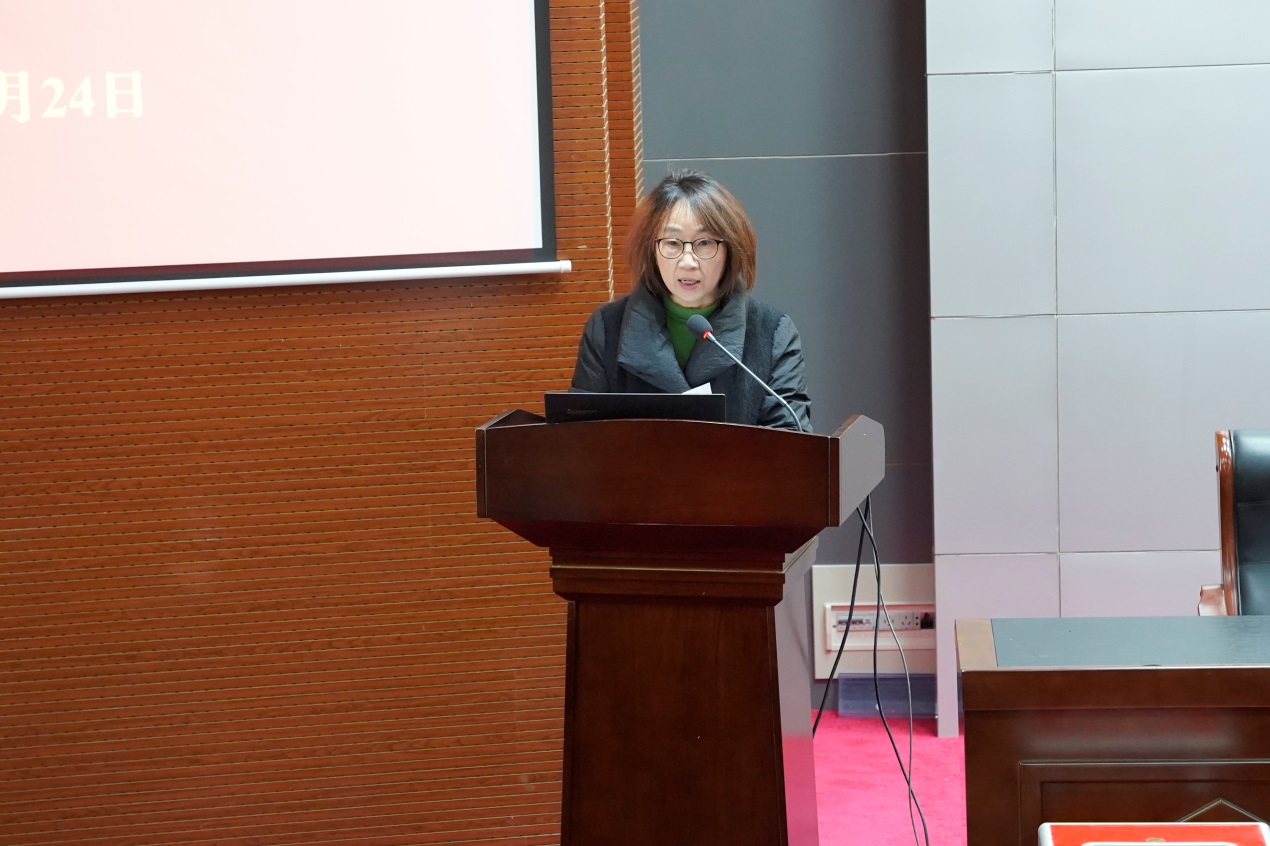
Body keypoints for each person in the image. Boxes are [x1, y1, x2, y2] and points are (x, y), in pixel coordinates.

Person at [571, 169, 812, 431]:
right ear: (652, 250)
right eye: (672, 243)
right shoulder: (607, 328)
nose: (688, 262)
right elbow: (582, 438)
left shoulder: (773, 333)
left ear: (730, 249)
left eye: (704, 243)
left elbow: (791, 438)